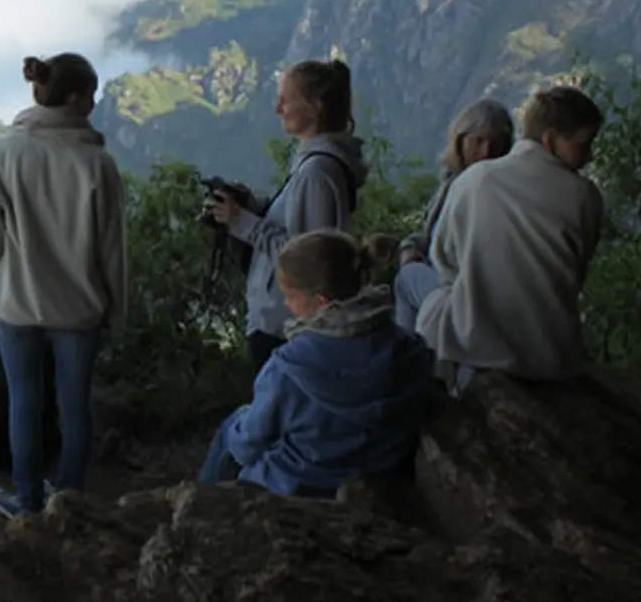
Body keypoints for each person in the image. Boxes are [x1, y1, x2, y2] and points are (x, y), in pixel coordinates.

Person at [0, 53, 128, 519]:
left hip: (18, 305)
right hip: (79, 310)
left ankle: (27, 501)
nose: (95, 103)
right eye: (92, 95)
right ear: (75, 98)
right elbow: (113, 251)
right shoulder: (98, 164)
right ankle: (68, 500)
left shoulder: (4, 153)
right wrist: (118, 313)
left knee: (25, 403)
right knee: (74, 406)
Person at [197, 229, 435, 498]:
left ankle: (201, 508)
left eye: (290, 295)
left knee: (233, 428)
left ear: (321, 301)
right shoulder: (408, 347)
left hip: (299, 482)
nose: (286, 303)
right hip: (380, 468)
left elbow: (249, 443)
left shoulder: (290, 366)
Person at [395, 84, 606, 386]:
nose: (589, 156)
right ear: (549, 140)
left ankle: (405, 382)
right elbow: (575, 269)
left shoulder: (474, 181)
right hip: (553, 351)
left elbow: (445, 262)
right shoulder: (586, 197)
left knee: (408, 280)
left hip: (480, 340)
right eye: (583, 145)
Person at [203, 59, 368, 375]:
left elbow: (309, 260)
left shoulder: (317, 172)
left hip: (286, 327)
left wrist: (240, 221)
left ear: (315, 108)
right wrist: (250, 204)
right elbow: (296, 224)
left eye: (286, 99)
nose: (279, 108)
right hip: (285, 322)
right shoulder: (315, 165)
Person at [395, 98, 515, 331]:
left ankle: (409, 356)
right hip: (456, 283)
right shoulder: (454, 182)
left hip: (464, 290)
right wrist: (410, 246)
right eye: (478, 141)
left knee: (406, 279)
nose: (486, 151)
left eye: (495, 143)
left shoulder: (488, 189)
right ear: (460, 141)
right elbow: (436, 232)